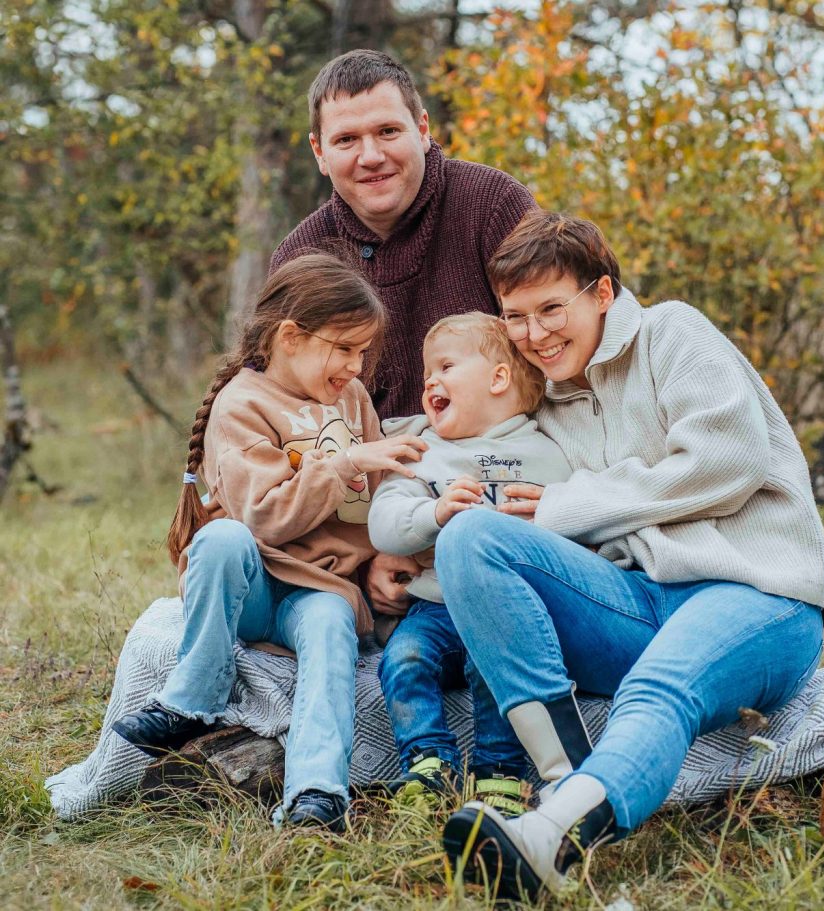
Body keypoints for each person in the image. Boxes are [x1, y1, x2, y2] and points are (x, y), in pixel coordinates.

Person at [436, 211, 824, 900]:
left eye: (550, 309)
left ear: (601, 294)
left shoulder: (670, 334)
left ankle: (550, 837)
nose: (534, 334)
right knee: (469, 536)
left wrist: (567, 505)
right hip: (637, 600)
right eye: (516, 317)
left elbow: (727, 461)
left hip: (756, 595)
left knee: (658, 686)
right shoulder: (544, 400)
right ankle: (566, 779)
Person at [111, 254, 426, 831]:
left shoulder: (352, 399)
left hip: (323, 589)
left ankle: (317, 793)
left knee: (329, 631)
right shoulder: (242, 405)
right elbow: (264, 516)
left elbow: (379, 492)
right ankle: (193, 698)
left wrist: (393, 547)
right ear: (290, 337)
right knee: (221, 539)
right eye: (344, 348)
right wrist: (344, 464)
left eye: (363, 352)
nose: (356, 366)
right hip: (254, 584)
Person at [269, 48, 538, 620]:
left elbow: (551, 358)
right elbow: (288, 427)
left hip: (498, 478)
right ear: (319, 152)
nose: (371, 157)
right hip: (368, 504)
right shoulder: (301, 258)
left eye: (388, 131)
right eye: (346, 140)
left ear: (422, 128)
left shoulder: (493, 206)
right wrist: (368, 554)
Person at [366, 313, 572, 812]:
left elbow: (576, 535)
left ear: (499, 378)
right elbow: (383, 524)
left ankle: (500, 771)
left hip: (508, 612)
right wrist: (432, 513)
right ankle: (428, 763)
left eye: (445, 367)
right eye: (426, 373)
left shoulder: (550, 456)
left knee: (498, 667)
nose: (429, 382)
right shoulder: (424, 452)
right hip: (435, 606)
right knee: (403, 657)